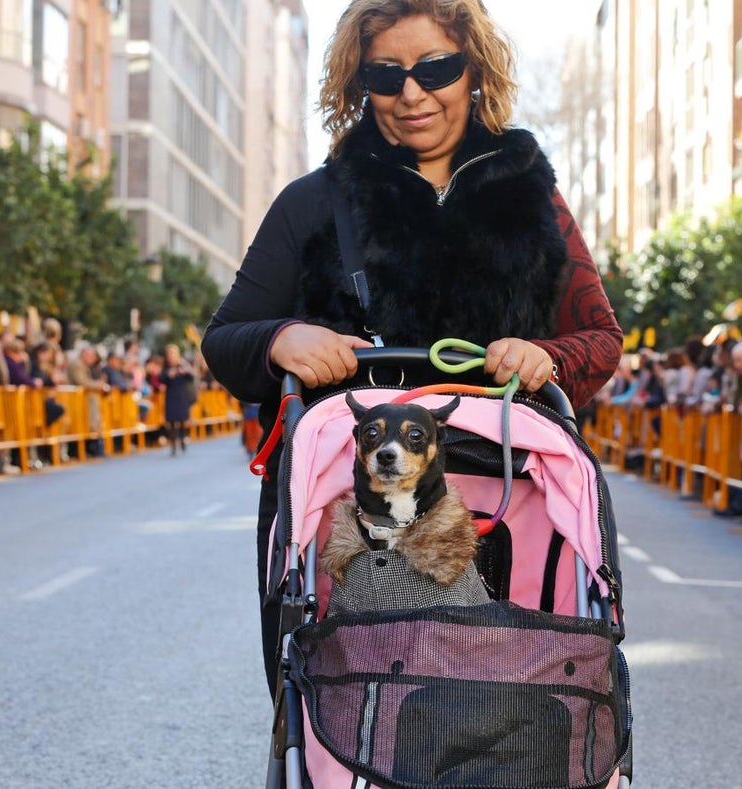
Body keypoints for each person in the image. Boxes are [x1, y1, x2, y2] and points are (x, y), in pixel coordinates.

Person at [201, 0, 623, 693]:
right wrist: (283, 336)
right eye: (387, 75)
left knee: (505, 699)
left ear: (474, 71)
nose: (413, 93)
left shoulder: (531, 200)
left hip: (505, 500)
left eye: (437, 68)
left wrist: (547, 355)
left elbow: (600, 339)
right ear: (360, 85)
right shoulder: (316, 202)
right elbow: (225, 339)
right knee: (350, 696)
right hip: (347, 509)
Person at [159, 343, 196, 456]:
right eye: (169, 353)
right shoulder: (166, 367)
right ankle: (173, 445)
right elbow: (161, 378)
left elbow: (191, 377)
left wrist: (184, 372)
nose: (171, 356)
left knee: (182, 419)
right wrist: (168, 376)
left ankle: (183, 437)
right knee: (171, 421)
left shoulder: (182, 364)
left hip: (182, 394)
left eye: (173, 353)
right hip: (171, 395)